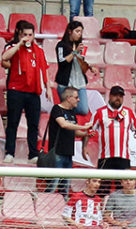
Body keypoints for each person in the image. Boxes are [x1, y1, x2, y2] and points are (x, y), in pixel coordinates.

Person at [88, 85, 136, 194]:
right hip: (105, 157)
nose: (118, 98)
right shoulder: (99, 113)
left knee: (123, 189)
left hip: (124, 158)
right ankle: (101, 209)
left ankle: (120, 211)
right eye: (115, 95)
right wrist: (84, 148)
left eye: (120, 96)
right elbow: (89, 130)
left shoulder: (129, 113)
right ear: (110, 96)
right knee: (102, 189)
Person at [3, 20, 53, 164]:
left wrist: (48, 88)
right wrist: (19, 44)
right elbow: (4, 58)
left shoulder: (38, 50)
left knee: (33, 124)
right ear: (19, 33)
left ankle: (33, 154)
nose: (28, 38)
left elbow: (45, 69)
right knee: (13, 122)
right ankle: (10, 152)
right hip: (16, 90)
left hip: (33, 92)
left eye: (30, 35)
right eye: (25, 34)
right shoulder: (12, 46)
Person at [46, 86, 92, 196]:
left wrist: (87, 134)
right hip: (57, 152)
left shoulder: (72, 113)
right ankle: (44, 208)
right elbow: (64, 124)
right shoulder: (57, 109)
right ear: (68, 98)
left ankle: (63, 208)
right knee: (53, 185)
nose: (79, 100)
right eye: (76, 97)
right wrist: (83, 127)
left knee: (65, 187)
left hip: (68, 153)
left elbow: (75, 132)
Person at [55, 21, 94, 116]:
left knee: (84, 109)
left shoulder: (80, 45)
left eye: (81, 32)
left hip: (80, 81)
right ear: (70, 31)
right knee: (66, 108)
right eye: (77, 31)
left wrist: (89, 67)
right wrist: (74, 52)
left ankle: (68, 114)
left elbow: (80, 62)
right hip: (66, 82)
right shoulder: (61, 45)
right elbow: (62, 62)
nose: (79, 34)